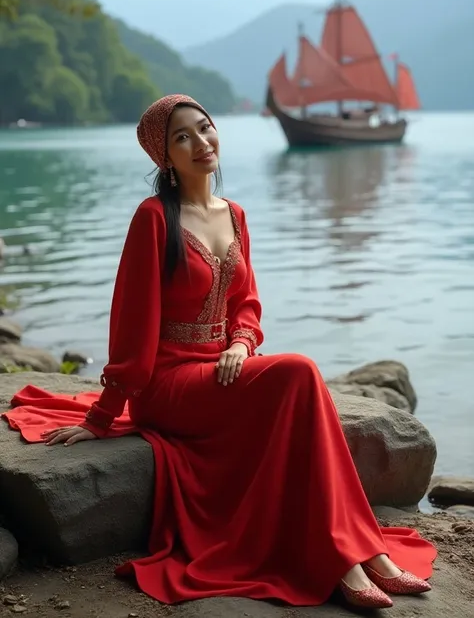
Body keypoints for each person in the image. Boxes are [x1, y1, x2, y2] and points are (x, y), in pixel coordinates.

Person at [3, 95, 436, 610]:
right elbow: (130, 326)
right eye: (181, 137)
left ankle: (366, 553)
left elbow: (247, 305)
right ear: (164, 157)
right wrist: (102, 416)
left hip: (221, 372)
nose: (200, 143)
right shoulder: (153, 219)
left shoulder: (234, 214)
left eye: (204, 129)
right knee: (300, 373)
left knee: (303, 400)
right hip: (167, 385)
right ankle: (348, 558)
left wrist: (239, 343)